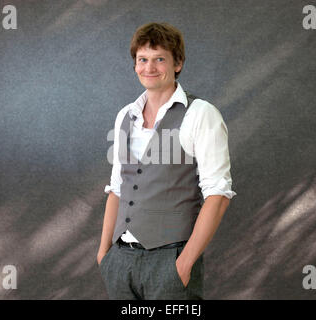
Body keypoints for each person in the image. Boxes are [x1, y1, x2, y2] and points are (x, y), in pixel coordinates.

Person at [97, 22, 236, 300]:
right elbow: (117, 188)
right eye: (143, 59)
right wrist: (104, 254)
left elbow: (218, 195)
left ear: (178, 63)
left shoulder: (200, 114)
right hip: (120, 261)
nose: (149, 68)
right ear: (135, 64)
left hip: (169, 262)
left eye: (160, 59)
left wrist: (184, 264)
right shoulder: (125, 115)